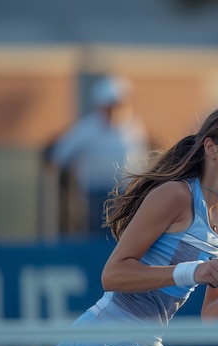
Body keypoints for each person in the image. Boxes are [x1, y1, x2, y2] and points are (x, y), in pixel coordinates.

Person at [21, 104, 218, 346]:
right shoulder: (174, 195)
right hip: (105, 337)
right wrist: (193, 272)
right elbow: (113, 275)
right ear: (211, 148)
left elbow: (210, 318)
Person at [50, 75, 148, 237]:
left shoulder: (135, 127)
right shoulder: (86, 128)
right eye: (110, 106)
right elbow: (59, 157)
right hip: (95, 195)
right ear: (100, 106)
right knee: (98, 235)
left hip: (127, 194)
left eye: (119, 105)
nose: (115, 110)